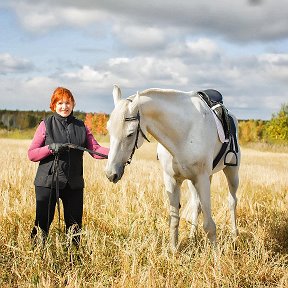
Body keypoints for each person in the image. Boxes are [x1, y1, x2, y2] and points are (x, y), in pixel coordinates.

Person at [28, 87, 109, 247]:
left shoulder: (82, 126)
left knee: (75, 226)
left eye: (68, 102)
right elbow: (32, 154)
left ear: (73, 104)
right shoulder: (46, 125)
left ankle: (73, 259)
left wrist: (117, 153)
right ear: (53, 105)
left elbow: (96, 150)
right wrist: (51, 148)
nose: (64, 106)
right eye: (60, 103)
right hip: (48, 182)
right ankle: (37, 254)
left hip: (74, 183)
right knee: (42, 223)